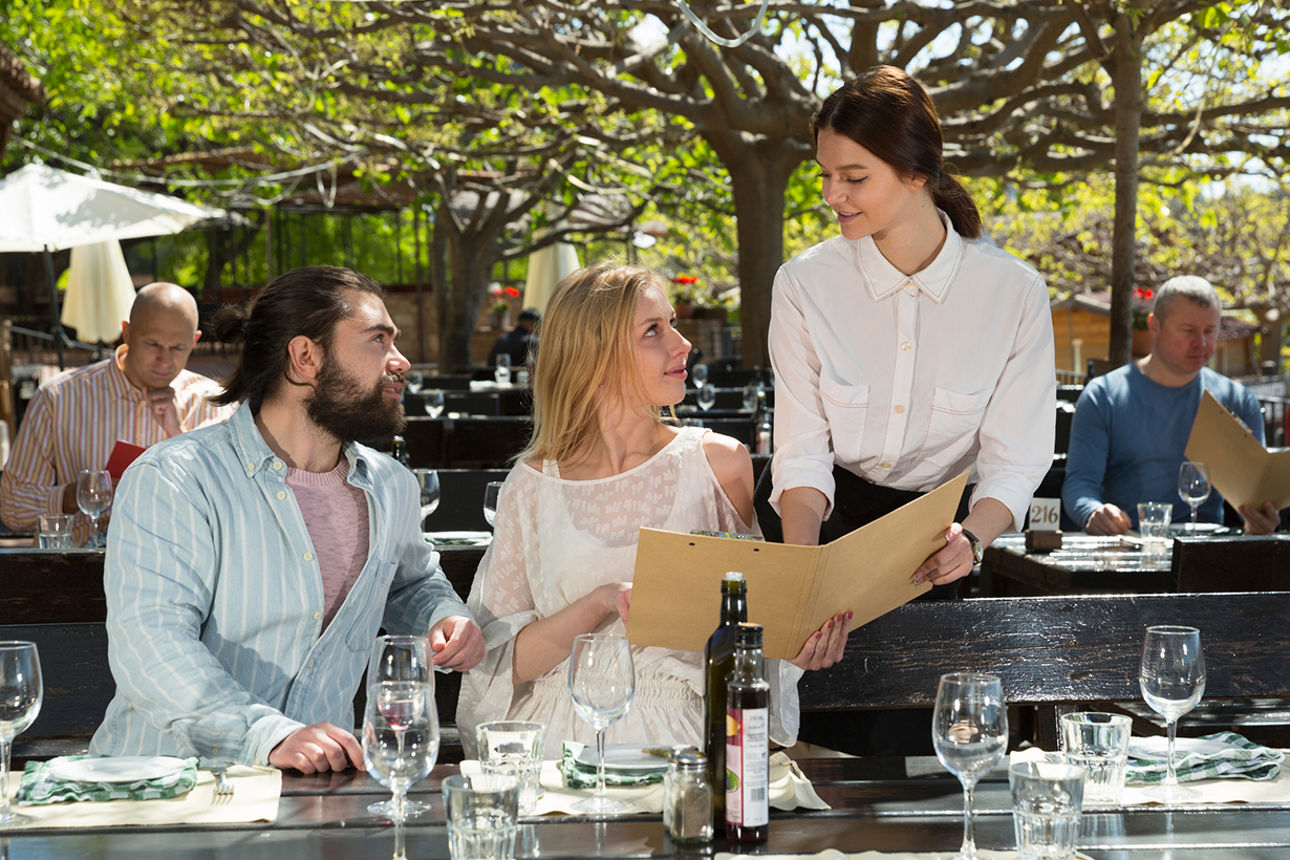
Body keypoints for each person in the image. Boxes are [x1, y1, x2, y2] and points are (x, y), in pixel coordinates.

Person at [755, 66, 1056, 754]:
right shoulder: (804, 285)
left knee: (928, 771)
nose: (832, 195)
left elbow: (1016, 458)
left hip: (940, 545)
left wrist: (973, 540)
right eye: (825, 174)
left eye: (854, 177)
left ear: (916, 172)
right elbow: (801, 450)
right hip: (826, 533)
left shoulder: (1011, 293)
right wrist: (801, 580)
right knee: (819, 764)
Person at [89, 266, 484, 773]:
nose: (400, 361)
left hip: (319, 791)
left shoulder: (391, 486)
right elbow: (151, 647)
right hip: (175, 794)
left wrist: (442, 617)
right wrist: (268, 736)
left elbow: (409, 582)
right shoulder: (174, 479)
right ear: (305, 358)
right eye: (377, 339)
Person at [458, 264, 847, 758]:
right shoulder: (531, 485)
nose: (682, 344)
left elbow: (757, 625)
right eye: (653, 331)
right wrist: (599, 603)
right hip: (559, 739)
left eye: (673, 323)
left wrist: (799, 643)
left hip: (681, 736)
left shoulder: (719, 464)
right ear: (594, 356)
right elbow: (500, 665)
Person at [0, 283, 233, 539]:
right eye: (152, 344)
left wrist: (178, 435)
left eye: (178, 348)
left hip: (179, 570)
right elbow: (11, 506)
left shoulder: (213, 402)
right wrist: (73, 496)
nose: (165, 360)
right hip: (82, 572)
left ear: (194, 340)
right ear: (127, 334)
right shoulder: (58, 398)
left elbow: (230, 504)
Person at [1063, 275, 1280, 535]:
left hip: (1208, 554)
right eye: (1188, 331)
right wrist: (1093, 512)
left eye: (1210, 331)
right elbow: (1080, 483)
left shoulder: (1238, 400)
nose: (1201, 343)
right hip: (1127, 548)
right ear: (1155, 325)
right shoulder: (1103, 396)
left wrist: (1261, 520)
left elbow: (1258, 493)